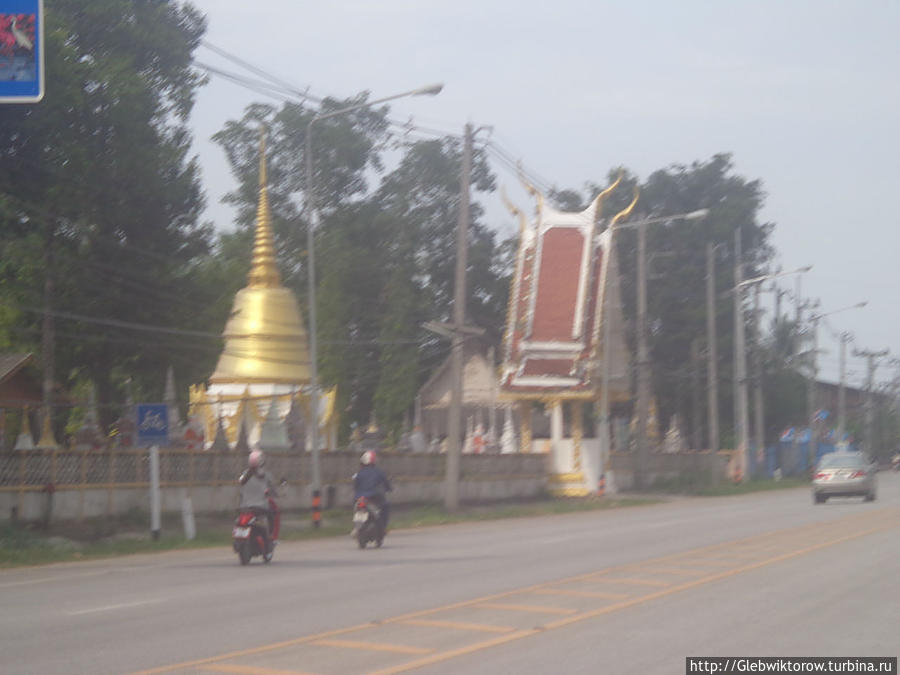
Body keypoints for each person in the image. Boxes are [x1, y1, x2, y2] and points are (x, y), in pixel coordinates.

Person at [239, 448, 280, 548]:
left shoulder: (245, 474)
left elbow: (240, 485)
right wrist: (275, 494)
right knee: (271, 515)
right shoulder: (266, 475)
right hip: (261, 507)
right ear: (262, 461)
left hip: (244, 507)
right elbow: (273, 490)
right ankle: (270, 537)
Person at [352, 450, 392, 530]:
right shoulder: (378, 472)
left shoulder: (359, 473)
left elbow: (355, 486)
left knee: (356, 508)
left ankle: (355, 528)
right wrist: (389, 489)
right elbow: (386, 483)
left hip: (359, 498)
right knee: (386, 506)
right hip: (374, 497)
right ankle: (383, 527)